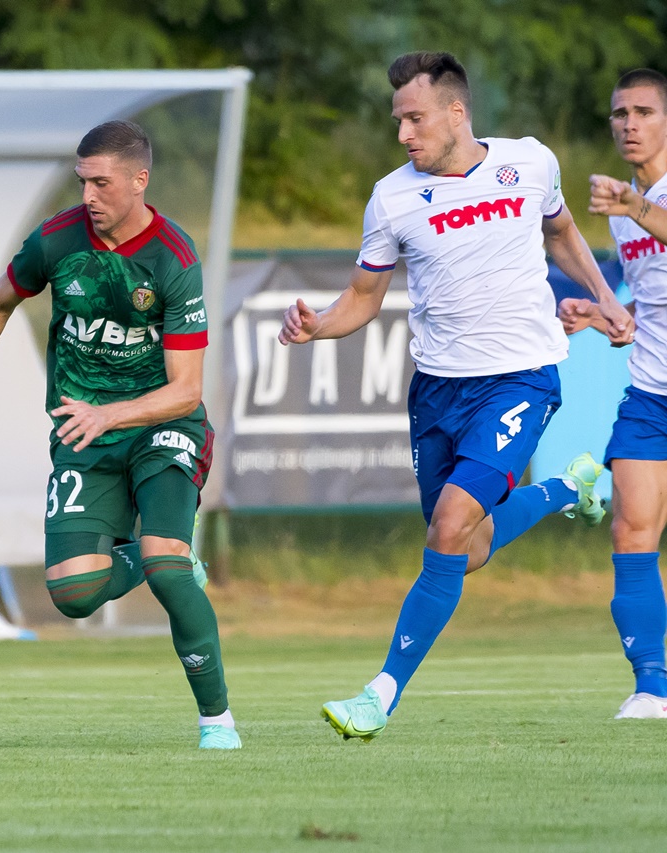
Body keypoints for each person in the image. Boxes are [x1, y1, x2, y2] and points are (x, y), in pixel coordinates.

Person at [278, 51, 634, 741]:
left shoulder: (530, 162)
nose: (403, 134)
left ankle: (378, 695)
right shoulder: (391, 198)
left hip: (521, 378)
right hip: (438, 392)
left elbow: (560, 230)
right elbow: (363, 297)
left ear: (456, 112)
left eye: (415, 119)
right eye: (397, 121)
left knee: (448, 527)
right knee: (467, 547)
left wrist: (603, 296)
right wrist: (318, 325)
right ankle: (567, 488)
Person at [0, 120, 239, 750]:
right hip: (83, 435)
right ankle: (161, 559)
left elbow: (187, 390)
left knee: (165, 563)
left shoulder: (173, 257)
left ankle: (218, 723)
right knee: (74, 594)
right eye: (82, 182)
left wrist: (111, 413)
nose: (89, 196)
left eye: (101, 182)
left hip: (163, 427)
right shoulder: (57, 240)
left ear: (139, 180)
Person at [559, 68, 667, 719]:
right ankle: (652, 686)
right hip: (651, 393)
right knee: (630, 530)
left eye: (645, 112)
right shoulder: (625, 210)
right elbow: (645, 314)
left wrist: (635, 208)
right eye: (621, 113)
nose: (630, 124)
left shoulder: (633, 208)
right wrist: (602, 317)